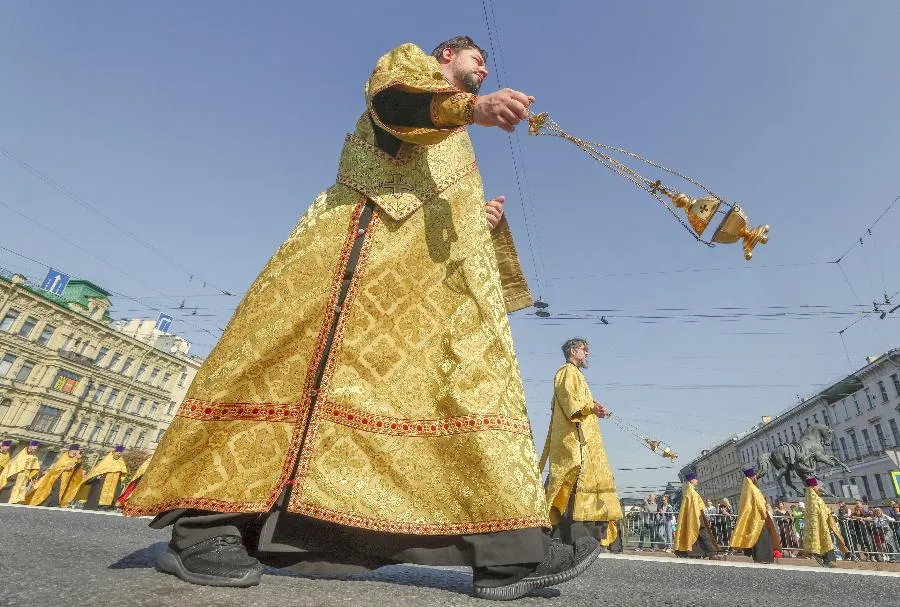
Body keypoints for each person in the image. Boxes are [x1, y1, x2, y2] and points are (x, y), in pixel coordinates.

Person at [123, 36, 601, 601]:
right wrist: (476, 107)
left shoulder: (460, 142)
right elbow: (395, 107)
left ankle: (505, 549)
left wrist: (478, 217)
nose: (485, 67)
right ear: (447, 55)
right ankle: (207, 526)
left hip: (423, 293)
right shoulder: (410, 68)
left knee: (455, 395)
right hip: (355, 260)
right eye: (477, 58)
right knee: (287, 372)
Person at [539, 338, 624, 553]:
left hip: (586, 443)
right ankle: (566, 537)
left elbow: (582, 404)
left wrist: (594, 407)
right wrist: (590, 408)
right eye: (585, 350)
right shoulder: (566, 372)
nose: (587, 354)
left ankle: (588, 538)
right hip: (574, 444)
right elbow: (571, 403)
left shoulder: (577, 374)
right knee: (572, 482)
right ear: (573, 350)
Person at [729, 468, 780, 563]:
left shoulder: (746, 488)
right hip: (759, 518)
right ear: (753, 476)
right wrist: (764, 513)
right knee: (763, 538)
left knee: (756, 538)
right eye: (755, 476)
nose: (756, 478)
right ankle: (764, 558)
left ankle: (757, 557)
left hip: (751, 517)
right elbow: (759, 502)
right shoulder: (753, 488)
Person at [802, 476, 847, 568]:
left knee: (823, 541)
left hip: (819, 523)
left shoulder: (810, 497)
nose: (818, 488)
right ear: (813, 486)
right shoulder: (814, 498)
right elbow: (819, 510)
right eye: (817, 486)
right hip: (820, 523)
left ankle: (826, 558)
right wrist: (828, 511)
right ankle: (827, 560)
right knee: (825, 540)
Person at [674, 472, 720, 559]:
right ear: (691, 480)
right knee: (704, 534)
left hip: (696, 516)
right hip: (697, 516)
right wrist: (698, 518)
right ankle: (711, 554)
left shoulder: (690, 490)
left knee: (698, 535)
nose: (696, 480)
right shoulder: (691, 492)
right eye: (695, 479)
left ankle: (696, 553)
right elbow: (694, 507)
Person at [75, 445, 129, 510]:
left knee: (112, 495)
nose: (119, 455)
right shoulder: (107, 461)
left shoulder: (121, 462)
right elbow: (98, 470)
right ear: (114, 452)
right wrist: (96, 476)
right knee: (97, 494)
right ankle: (95, 506)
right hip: (102, 480)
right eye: (117, 453)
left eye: (120, 453)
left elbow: (123, 472)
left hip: (114, 483)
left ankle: (106, 507)